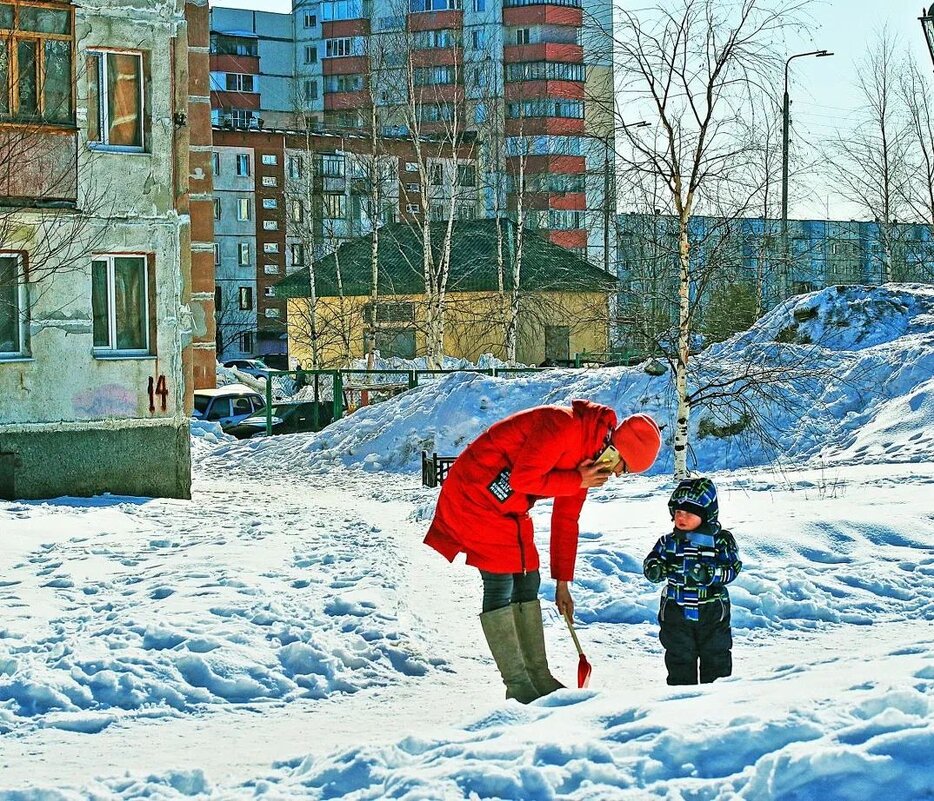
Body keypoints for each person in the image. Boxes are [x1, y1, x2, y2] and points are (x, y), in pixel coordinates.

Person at [425, 400, 662, 703]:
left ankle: (538, 676)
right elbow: (523, 478)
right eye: (624, 468)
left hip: (509, 503)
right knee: (500, 579)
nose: (617, 474)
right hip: (475, 490)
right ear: (616, 451)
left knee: (529, 577)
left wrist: (563, 584)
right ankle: (519, 685)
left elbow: (566, 519)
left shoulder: (590, 458)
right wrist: (577, 479)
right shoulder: (563, 425)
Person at [643, 477, 742, 685]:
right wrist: (655, 569)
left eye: (689, 512)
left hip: (711, 610)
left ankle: (716, 695)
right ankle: (681, 694)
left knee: (716, 655)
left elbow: (732, 568)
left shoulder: (720, 541)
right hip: (676, 610)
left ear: (706, 514)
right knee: (679, 655)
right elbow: (653, 560)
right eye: (678, 511)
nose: (681, 516)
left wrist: (710, 574)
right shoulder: (668, 542)